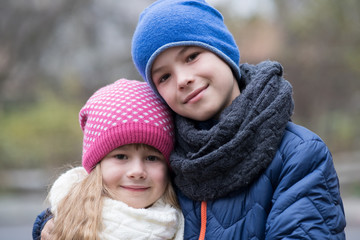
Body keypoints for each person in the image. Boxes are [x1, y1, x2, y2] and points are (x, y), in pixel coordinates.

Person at [131, 0, 346, 239]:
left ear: (223, 51)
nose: (182, 79)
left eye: (191, 56)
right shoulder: (164, 165)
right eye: (164, 77)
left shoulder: (299, 155)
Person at [32, 79, 184, 240]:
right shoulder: (63, 226)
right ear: (97, 165)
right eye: (121, 156)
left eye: (152, 158)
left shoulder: (188, 221)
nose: (137, 171)